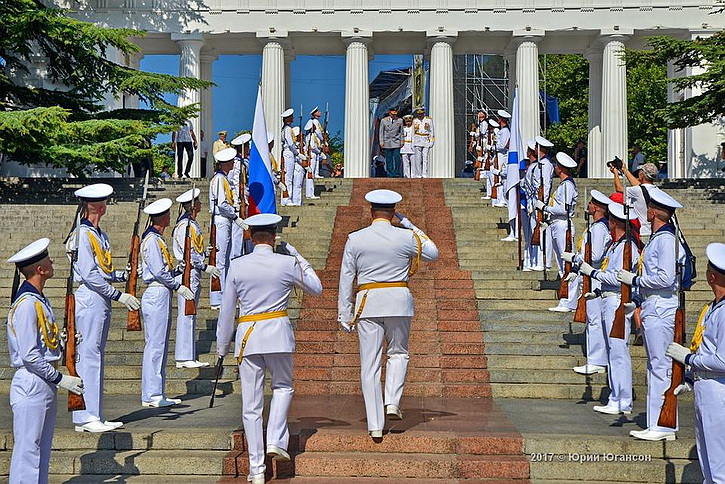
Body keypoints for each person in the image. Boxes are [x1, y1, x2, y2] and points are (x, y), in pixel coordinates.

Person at [216, 213, 322, 484]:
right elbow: (316, 288)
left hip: (248, 337)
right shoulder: (286, 263)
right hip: (277, 335)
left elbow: (227, 311)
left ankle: (256, 470)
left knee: (251, 406)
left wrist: (221, 347)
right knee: (283, 387)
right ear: (274, 237)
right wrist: (297, 256)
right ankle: (275, 438)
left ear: (250, 237)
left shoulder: (237, 266)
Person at [337, 189, 439, 439]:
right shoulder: (405, 237)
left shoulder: (356, 238)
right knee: (399, 353)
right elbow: (433, 252)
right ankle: (392, 401)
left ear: (371, 212)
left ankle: (375, 424)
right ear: (393, 213)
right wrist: (408, 224)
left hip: (368, 303)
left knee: (369, 365)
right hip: (398, 302)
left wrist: (344, 312)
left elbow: (346, 278)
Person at [7, 238, 85, 484]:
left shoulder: (39, 300)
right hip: (32, 380)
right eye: (47, 260)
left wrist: (63, 342)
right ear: (40, 269)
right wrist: (61, 378)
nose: (52, 262)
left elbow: (42, 344)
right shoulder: (28, 304)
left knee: (41, 449)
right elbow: (29, 355)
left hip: (43, 380)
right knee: (28, 449)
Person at [69, 183, 140, 433]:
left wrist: (123, 275)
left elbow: (104, 270)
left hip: (100, 297)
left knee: (95, 356)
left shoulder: (99, 235)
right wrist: (119, 295)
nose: (106, 205)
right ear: (97, 206)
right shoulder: (81, 235)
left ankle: (94, 413)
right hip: (90, 297)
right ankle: (85, 417)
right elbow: (89, 274)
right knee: (88, 355)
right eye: (104, 202)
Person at [617, 188, 684, 441]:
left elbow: (666, 278)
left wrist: (636, 279)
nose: (646, 212)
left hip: (662, 306)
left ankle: (664, 425)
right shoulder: (659, 237)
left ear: (655, 211)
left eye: (649, 208)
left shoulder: (665, 240)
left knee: (661, 366)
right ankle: (657, 420)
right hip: (654, 305)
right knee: (654, 365)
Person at [666, 243, 725, 483]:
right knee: (707, 457)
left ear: (712, 276)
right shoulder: (712, 308)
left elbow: (722, 360)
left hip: (718, 390)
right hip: (704, 387)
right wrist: (689, 378)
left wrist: (688, 359)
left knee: (719, 461)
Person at [573, 202, 639, 414]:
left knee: (619, 352)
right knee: (613, 352)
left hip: (617, 300)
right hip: (608, 298)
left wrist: (593, 274)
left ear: (615, 222)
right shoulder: (617, 245)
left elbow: (618, 276)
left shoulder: (628, 247)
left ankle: (623, 399)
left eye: (611, 220)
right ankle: (616, 396)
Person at [140, 198, 195, 407]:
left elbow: (163, 269)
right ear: (163, 218)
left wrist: (176, 272)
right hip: (157, 292)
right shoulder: (153, 240)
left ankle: (157, 392)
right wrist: (176, 284)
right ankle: (152, 395)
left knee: (159, 344)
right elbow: (158, 271)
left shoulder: (157, 239)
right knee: (155, 344)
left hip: (161, 291)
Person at [172, 188, 221, 369]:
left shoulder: (191, 224)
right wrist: (205, 266)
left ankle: (187, 354)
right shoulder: (186, 226)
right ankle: (184, 357)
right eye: (198, 202)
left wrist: (204, 254)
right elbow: (187, 254)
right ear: (193, 206)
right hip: (188, 273)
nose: (201, 204)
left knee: (190, 314)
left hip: (193, 272)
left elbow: (195, 249)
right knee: (186, 314)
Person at [564, 190, 612, 374]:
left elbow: (596, 255)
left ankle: (597, 360)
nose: (589, 205)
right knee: (593, 320)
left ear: (598, 208)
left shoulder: (599, 228)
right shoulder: (596, 226)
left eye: (592, 203)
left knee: (594, 320)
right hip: (590, 275)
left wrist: (575, 259)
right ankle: (596, 359)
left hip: (596, 276)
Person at [538, 152, 578, 313]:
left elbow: (565, 210)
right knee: (562, 265)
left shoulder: (567, 186)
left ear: (560, 168)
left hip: (563, 225)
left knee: (568, 264)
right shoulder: (563, 185)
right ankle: (565, 298)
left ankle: (570, 300)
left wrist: (545, 207)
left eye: (557, 165)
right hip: (556, 224)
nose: (555, 167)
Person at [209, 148, 247, 309]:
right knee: (220, 259)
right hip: (222, 219)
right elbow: (222, 203)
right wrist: (235, 216)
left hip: (226, 219)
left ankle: (225, 295)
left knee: (226, 259)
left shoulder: (223, 179)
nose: (233, 164)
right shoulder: (219, 179)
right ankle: (218, 297)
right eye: (231, 162)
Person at [611, 160, 659, 239]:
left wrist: (616, 173)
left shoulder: (637, 191)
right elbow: (639, 186)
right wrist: (625, 170)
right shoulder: (655, 189)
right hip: (653, 231)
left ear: (642, 175)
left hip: (642, 232)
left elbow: (619, 188)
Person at [230, 133, 251, 258]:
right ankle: (237, 256)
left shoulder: (243, 161)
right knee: (237, 232)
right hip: (238, 198)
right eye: (247, 146)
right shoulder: (237, 162)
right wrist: (239, 199)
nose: (249, 148)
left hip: (244, 196)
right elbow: (236, 182)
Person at [281, 109, 306, 207]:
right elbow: (291, 144)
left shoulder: (286, 128)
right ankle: (287, 199)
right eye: (291, 117)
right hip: (289, 153)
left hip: (290, 153)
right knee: (288, 178)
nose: (293, 118)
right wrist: (297, 153)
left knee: (289, 177)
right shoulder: (287, 129)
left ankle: (288, 198)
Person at [493, 110, 511, 208]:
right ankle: (501, 198)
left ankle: (503, 200)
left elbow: (503, 145)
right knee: (500, 177)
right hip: (500, 155)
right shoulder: (503, 130)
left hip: (503, 155)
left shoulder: (505, 131)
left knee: (503, 176)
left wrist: (493, 147)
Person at [379, 107, 404, 177]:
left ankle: (396, 173)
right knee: (389, 159)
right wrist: (381, 142)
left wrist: (402, 141)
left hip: (396, 141)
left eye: (395, 114)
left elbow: (401, 132)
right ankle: (390, 174)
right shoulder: (384, 120)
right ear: (389, 113)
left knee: (397, 158)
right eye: (392, 114)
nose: (394, 116)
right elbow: (381, 132)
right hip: (387, 141)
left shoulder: (400, 120)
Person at [412, 108, 434, 178]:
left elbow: (432, 131)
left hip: (425, 140)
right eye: (419, 114)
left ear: (423, 113)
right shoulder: (415, 121)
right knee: (418, 159)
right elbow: (413, 133)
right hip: (417, 140)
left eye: (421, 114)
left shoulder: (429, 120)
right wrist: (412, 143)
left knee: (425, 158)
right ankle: (418, 174)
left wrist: (432, 141)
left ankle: (425, 174)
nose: (420, 115)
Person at [305, 107, 326, 179]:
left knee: (316, 160)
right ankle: (313, 173)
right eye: (318, 111)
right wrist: (323, 139)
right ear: (315, 114)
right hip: (315, 144)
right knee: (313, 160)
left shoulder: (316, 121)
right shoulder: (315, 122)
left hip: (317, 143)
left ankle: (316, 173)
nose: (320, 112)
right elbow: (318, 132)